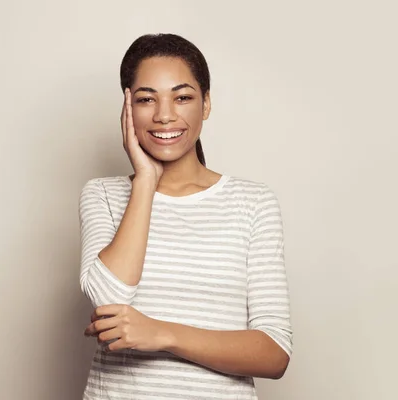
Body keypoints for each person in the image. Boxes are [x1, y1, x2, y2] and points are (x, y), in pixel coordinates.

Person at [79, 33, 292, 400]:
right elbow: (107, 298)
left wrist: (162, 333)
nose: (164, 115)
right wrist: (146, 181)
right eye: (147, 99)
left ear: (206, 104)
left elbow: (274, 353)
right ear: (127, 108)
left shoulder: (253, 203)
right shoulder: (103, 194)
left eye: (183, 97)